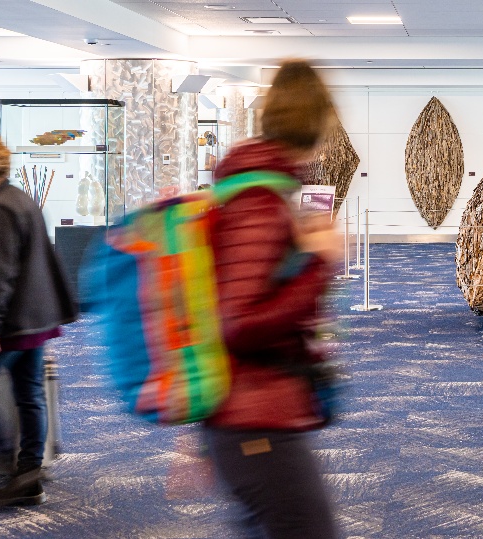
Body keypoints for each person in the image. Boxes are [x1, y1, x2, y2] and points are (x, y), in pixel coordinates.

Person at [202, 59, 343, 538]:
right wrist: (321, 263)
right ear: (320, 119)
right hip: (253, 415)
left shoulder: (280, 186)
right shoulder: (260, 197)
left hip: (258, 406)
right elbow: (240, 323)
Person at [0, 133, 78, 506]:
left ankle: (9, 461)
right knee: (29, 394)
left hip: (11, 324)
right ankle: (28, 475)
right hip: (36, 320)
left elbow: (0, 272)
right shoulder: (21, 198)